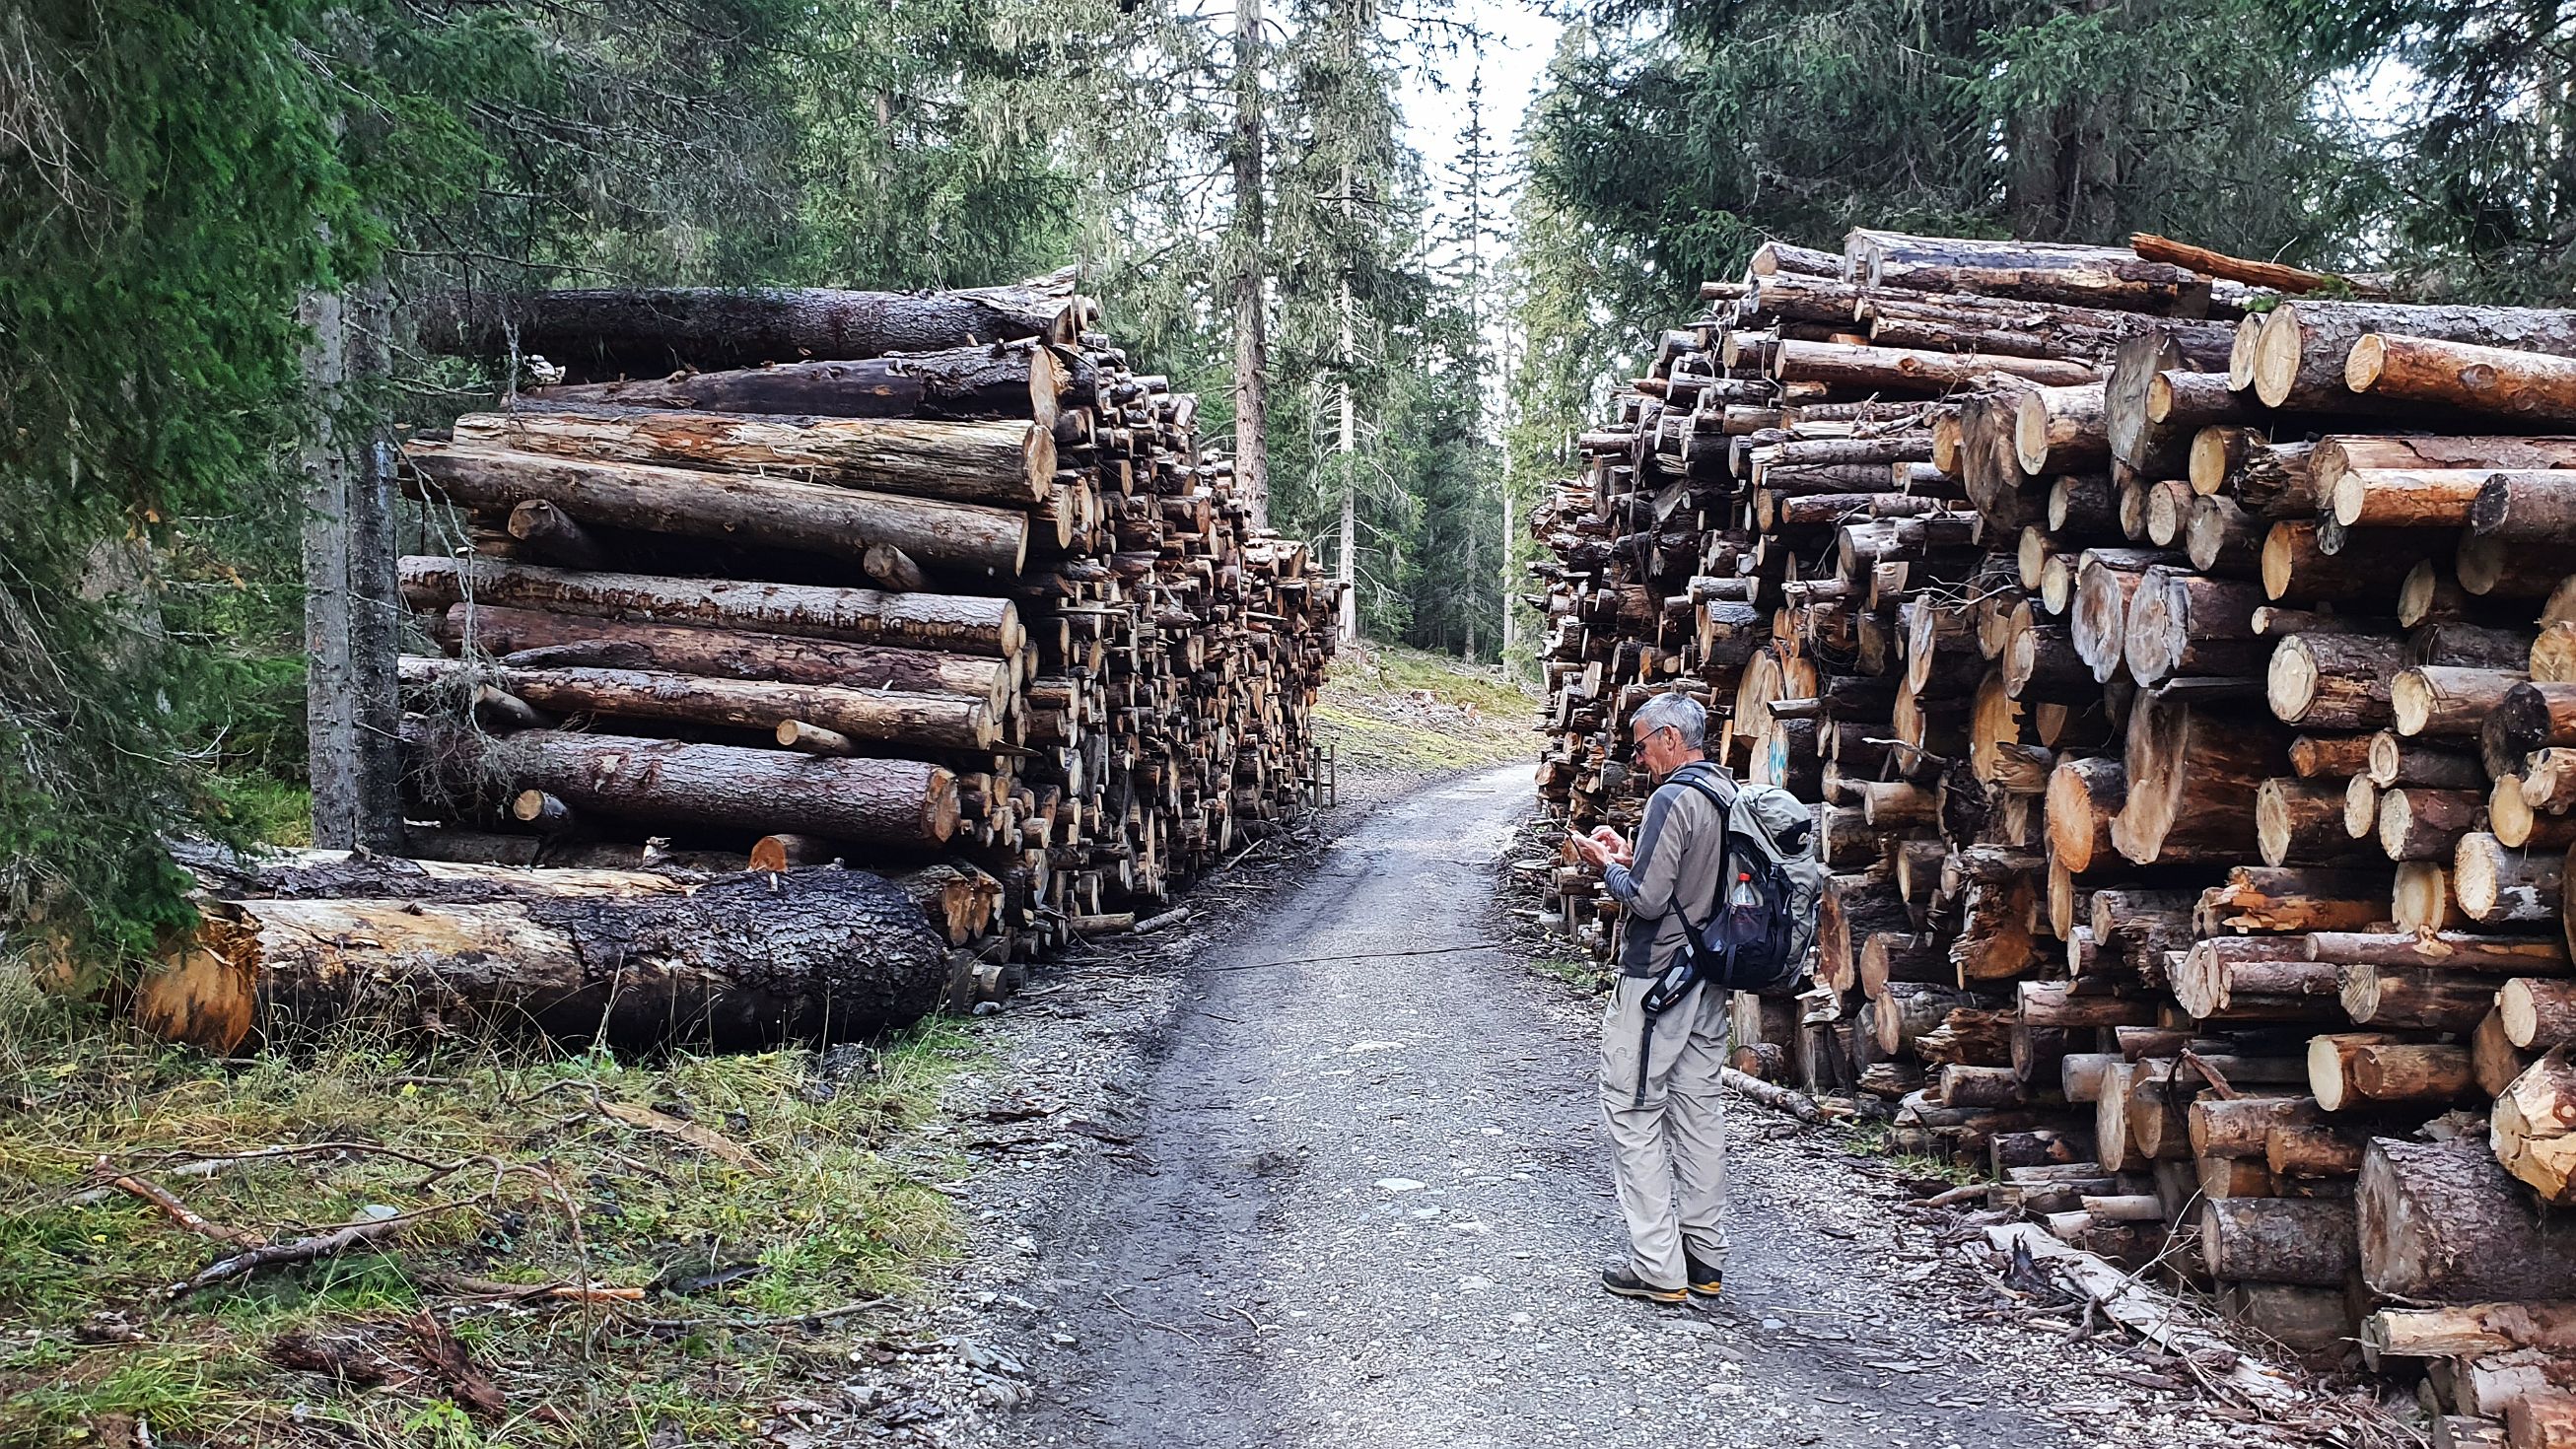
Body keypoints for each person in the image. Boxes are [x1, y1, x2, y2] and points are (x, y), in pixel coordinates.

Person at [1568, 692, 1730, 1304]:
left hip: (1657, 981)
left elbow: (1645, 900)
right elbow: (1688, 881)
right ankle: (1703, 1259)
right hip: (1708, 979)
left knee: (1632, 1110)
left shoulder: (1672, 797)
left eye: (1641, 746)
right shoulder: (1724, 793)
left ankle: (1657, 1267)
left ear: (1668, 737)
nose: (1640, 760)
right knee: (1698, 1115)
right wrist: (1631, 856)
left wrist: (1602, 863)